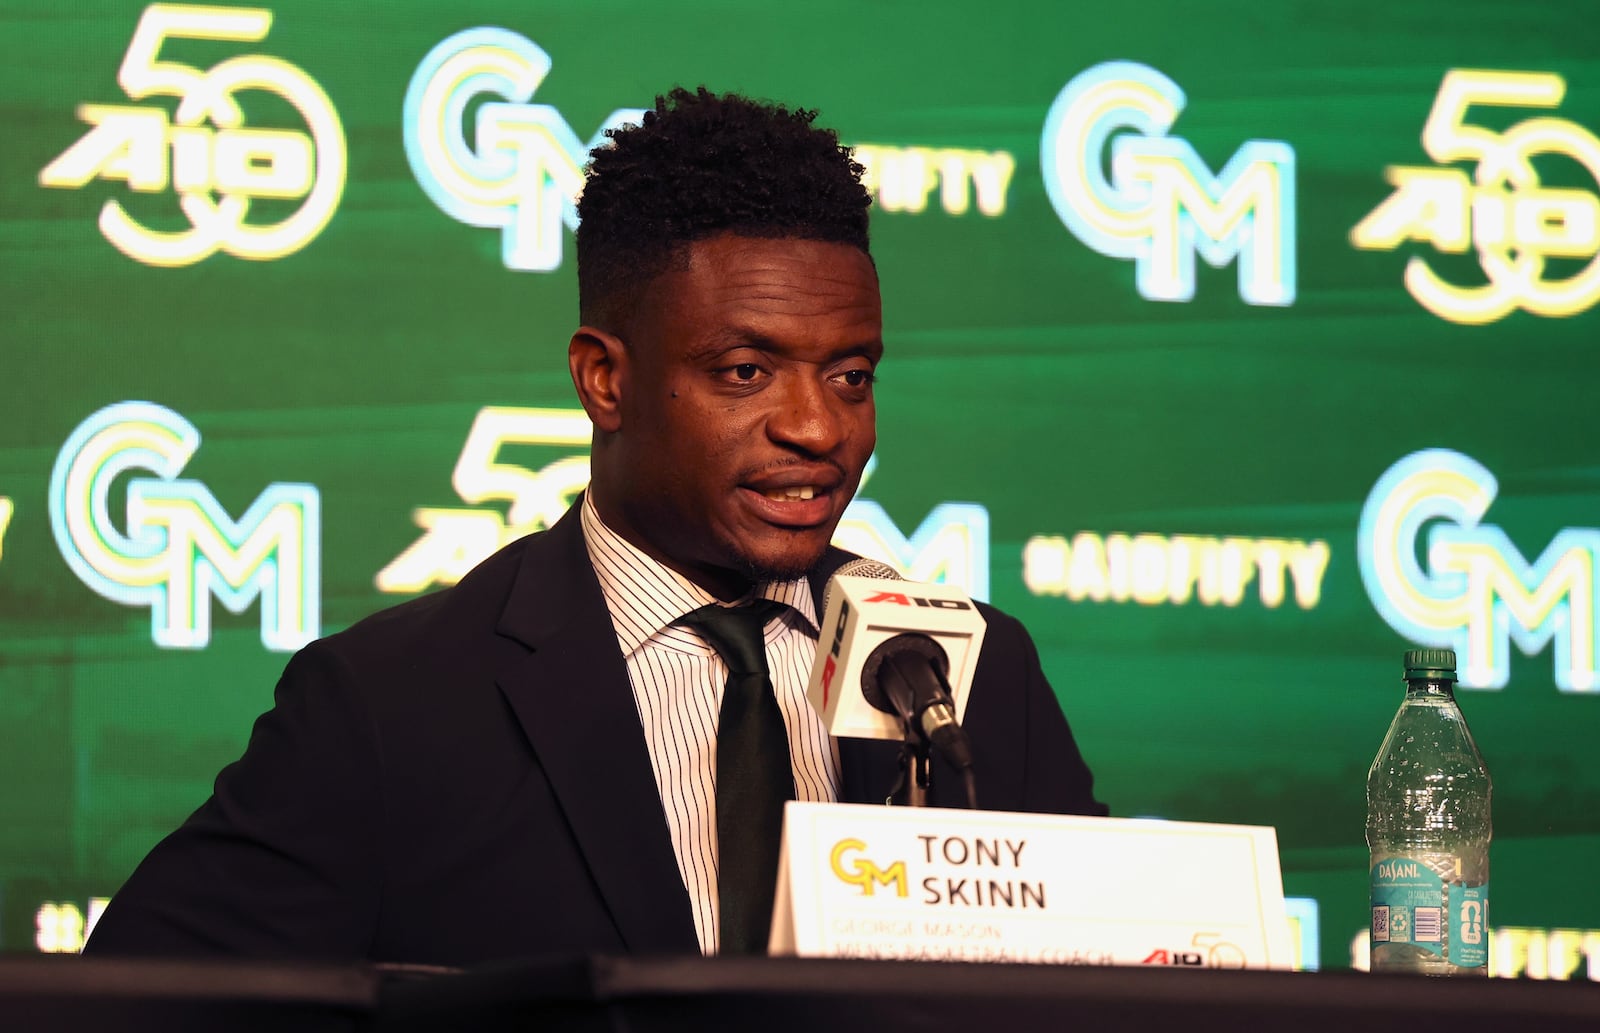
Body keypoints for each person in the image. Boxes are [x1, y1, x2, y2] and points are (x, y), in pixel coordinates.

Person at [82, 86, 1104, 967]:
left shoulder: (969, 674)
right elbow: (136, 1003)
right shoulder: (391, 703)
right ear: (604, 379)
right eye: (744, 373)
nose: (816, 427)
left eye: (850, 375)